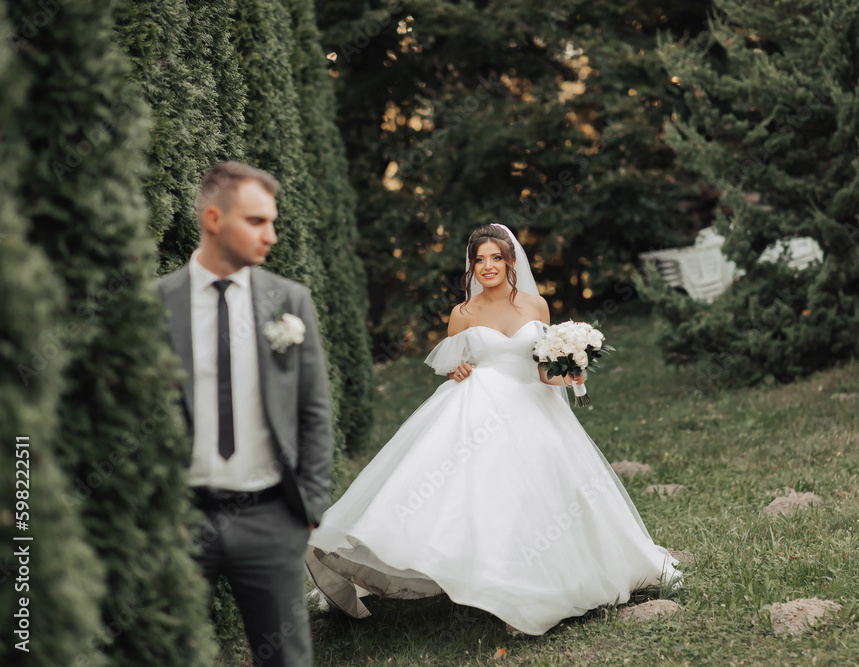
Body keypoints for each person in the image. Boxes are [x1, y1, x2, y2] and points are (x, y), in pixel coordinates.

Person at [306, 223, 681, 635]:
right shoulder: (462, 314)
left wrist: (572, 375)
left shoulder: (536, 306)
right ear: (471, 267)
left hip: (533, 409)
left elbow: (542, 372)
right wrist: (457, 368)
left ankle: (541, 584)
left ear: (510, 261)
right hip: (477, 408)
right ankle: (490, 580)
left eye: (495, 258)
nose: (487, 266)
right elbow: (451, 364)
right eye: (479, 260)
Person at [157, 161, 333, 666]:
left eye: (272, 221)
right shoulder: (156, 305)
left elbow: (315, 409)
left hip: (270, 515)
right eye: (257, 221)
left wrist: (310, 506)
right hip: (180, 520)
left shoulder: (288, 300)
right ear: (214, 219)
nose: (271, 235)